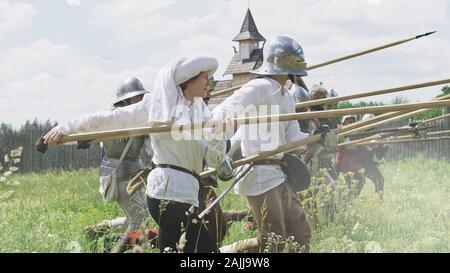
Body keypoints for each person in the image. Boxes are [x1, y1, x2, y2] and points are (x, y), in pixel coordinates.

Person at [42, 55, 233, 253]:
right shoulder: (156, 105)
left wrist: (219, 134)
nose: (208, 82)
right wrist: (67, 127)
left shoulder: (202, 112)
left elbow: (214, 161)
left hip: (188, 194)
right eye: (203, 77)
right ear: (187, 82)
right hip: (167, 194)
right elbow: (110, 119)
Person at [212, 36, 337, 253]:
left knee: (300, 233)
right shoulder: (258, 86)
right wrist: (222, 122)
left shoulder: (287, 96)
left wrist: (316, 136)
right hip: (258, 172)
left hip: (279, 173)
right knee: (273, 242)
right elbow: (223, 110)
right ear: (278, 60)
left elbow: (292, 138)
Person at [83, 77, 151, 249]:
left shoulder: (141, 116)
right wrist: (89, 134)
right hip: (117, 173)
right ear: (125, 100)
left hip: (135, 173)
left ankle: (99, 230)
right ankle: (116, 249)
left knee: (142, 214)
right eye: (138, 97)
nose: (142, 101)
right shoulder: (111, 116)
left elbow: (150, 147)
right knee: (139, 218)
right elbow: (92, 124)